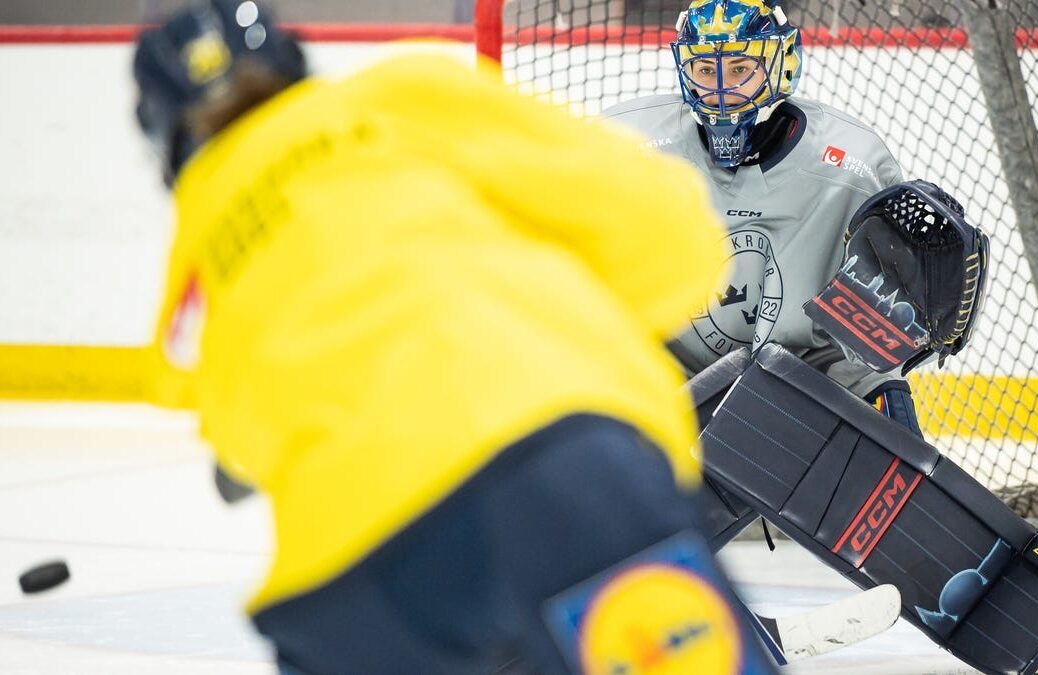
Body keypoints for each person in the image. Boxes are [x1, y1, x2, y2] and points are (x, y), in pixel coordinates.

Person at [132, 1, 778, 673]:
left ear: (160, 139)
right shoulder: (395, 95)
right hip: (550, 463)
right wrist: (570, 328)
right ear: (291, 60)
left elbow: (223, 424)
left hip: (342, 589)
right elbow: (666, 232)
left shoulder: (192, 254)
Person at [601, 0, 926, 549]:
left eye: (740, 69)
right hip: (673, 381)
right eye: (706, 70)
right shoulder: (624, 145)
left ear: (780, 66)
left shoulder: (854, 164)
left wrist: (904, 341)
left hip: (802, 379)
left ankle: (916, 556)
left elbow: (890, 302)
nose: (720, 88)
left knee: (896, 455)